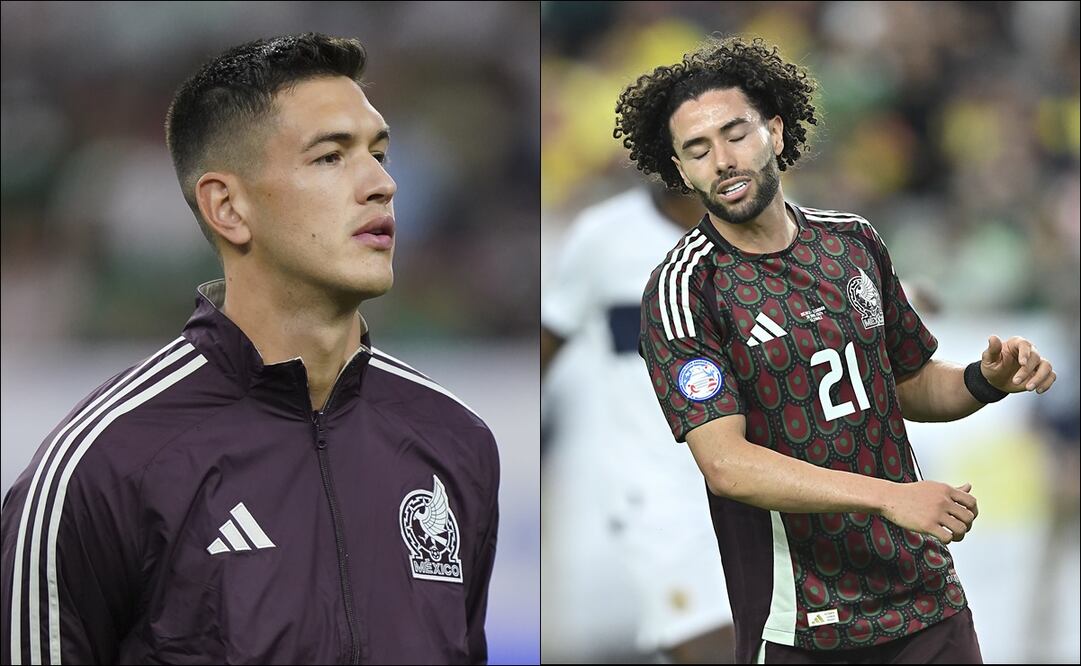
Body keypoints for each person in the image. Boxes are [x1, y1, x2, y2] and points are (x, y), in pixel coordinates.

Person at [1, 33, 499, 665]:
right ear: (228, 207)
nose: (381, 184)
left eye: (379, 153)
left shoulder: (456, 438)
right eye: (329, 157)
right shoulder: (100, 465)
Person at [616, 37, 1057, 664]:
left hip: (924, 599)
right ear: (681, 171)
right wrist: (890, 496)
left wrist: (984, 380)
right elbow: (727, 465)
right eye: (698, 150)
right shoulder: (687, 288)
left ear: (774, 129)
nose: (723, 160)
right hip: (806, 623)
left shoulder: (852, 243)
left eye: (735, 134)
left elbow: (906, 383)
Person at [542, 183, 735, 663]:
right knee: (703, 642)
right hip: (655, 487)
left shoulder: (767, 230)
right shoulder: (604, 236)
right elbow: (549, 338)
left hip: (755, 475)